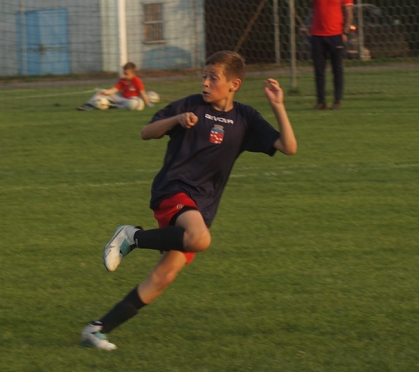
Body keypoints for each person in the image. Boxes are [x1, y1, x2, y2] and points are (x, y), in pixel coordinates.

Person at [80, 51, 297, 350]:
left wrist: (278, 106)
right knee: (200, 239)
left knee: (163, 276)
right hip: (174, 189)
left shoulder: (246, 118)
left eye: (213, 78)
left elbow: (288, 146)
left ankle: (97, 330)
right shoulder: (190, 105)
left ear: (234, 84)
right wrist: (177, 119)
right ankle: (131, 237)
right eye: (204, 76)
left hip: (203, 206)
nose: (205, 83)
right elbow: (146, 132)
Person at [295, 0, 354, 110]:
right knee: (319, 71)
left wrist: (345, 32)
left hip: (336, 36)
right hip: (317, 36)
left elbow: (349, 13)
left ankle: (337, 100)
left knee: (337, 70)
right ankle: (321, 102)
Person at [78, 62, 154, 111]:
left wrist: (148, 104)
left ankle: (111, 106)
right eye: (124, 73)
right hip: (121, 98)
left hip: (131, 99)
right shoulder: (122, 80)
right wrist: (105, 93)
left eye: (126, 74)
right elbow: (114, 90)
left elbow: (142, 93)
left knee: (133, 102)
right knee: (101, 91)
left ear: (133, 73)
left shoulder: (137, 81)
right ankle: (89, 105)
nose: (124, 75)